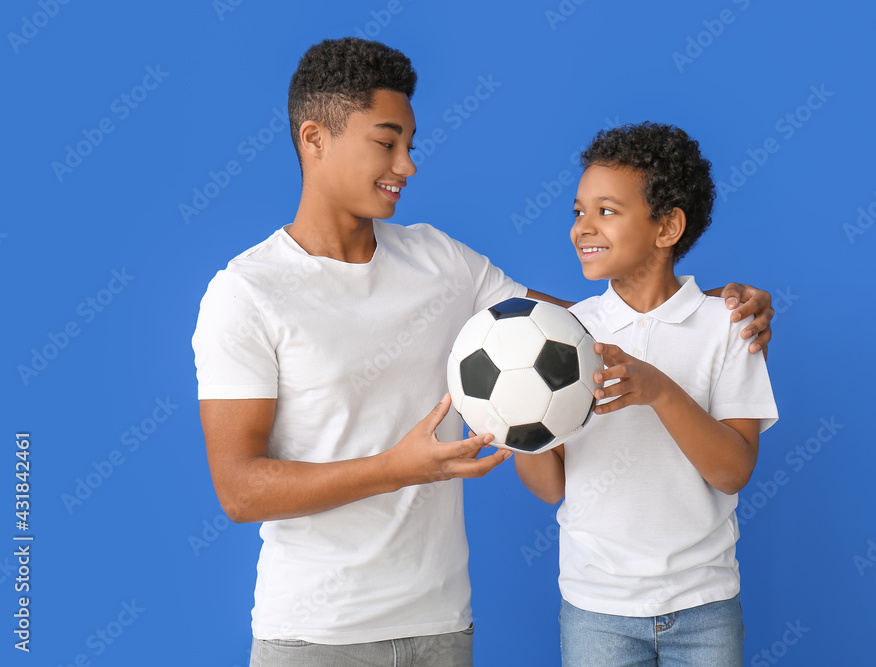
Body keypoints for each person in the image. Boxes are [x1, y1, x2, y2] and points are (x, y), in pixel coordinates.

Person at [192, 38, 774, 667]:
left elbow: (580, 326)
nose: (408, 165)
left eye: (411, 144)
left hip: (441, 622)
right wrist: (399, 466)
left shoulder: (441, 259)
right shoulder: (247, 292)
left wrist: (713, 302)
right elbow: (239, 491)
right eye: (387, 143)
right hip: (313, 634)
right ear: (315, 139)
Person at [514, 122, 779, 666]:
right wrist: (519, 424)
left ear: (667, 227)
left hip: (704, 604)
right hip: (597, 607)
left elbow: (732, 472)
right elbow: (549, 487)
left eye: (606, 211)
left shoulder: (728, 325)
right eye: (577, 211)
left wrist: (659, 390)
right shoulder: (567, 333)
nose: (582, 228)